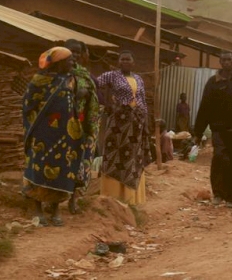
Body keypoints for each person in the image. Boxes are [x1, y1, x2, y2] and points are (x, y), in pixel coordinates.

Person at [21, 47, 80, 226]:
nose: (72, 63)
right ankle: (38, 209)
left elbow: (73, 105)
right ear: (59, 62)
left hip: (64, 136)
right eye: (69, 60)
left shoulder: (71, 80)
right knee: (39, 167)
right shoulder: (39, 81)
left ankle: (55, 209)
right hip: (43, 134)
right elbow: (27, 105)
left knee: (61, 169)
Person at [192, 52, 232, 208]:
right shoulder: (213, 83)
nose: (227, 63)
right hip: (219, 130)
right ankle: (218, 194)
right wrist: (198, 133)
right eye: (224, 60)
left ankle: (231, 198)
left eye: (229, 60)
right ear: (220, 62)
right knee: (220, 158)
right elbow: (205, 108)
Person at [96, 51, 151, 205]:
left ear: (133, 62)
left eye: (129, 59)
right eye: (123, 59)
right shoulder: (111, 76)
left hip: (136, 124)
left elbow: (143, 101)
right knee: (114, 155)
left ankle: (131, 199)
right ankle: (112, 196)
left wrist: (145, 122)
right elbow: (94, 84)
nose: (125, 61)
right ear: (118, 62)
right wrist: (106, 103)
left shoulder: (138, 79)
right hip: (118, 125)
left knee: (132, 157)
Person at [64, 39, 100, 214]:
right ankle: (54, 200)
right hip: (62, 127)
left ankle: (73, 200)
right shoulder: (58, 73)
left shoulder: (85, 75)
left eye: (78, 52)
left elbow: (93, 96)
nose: (75, 55)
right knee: (61, 163)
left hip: (82, 126)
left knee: (78, 165)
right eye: (72, 51)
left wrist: (85, 94)